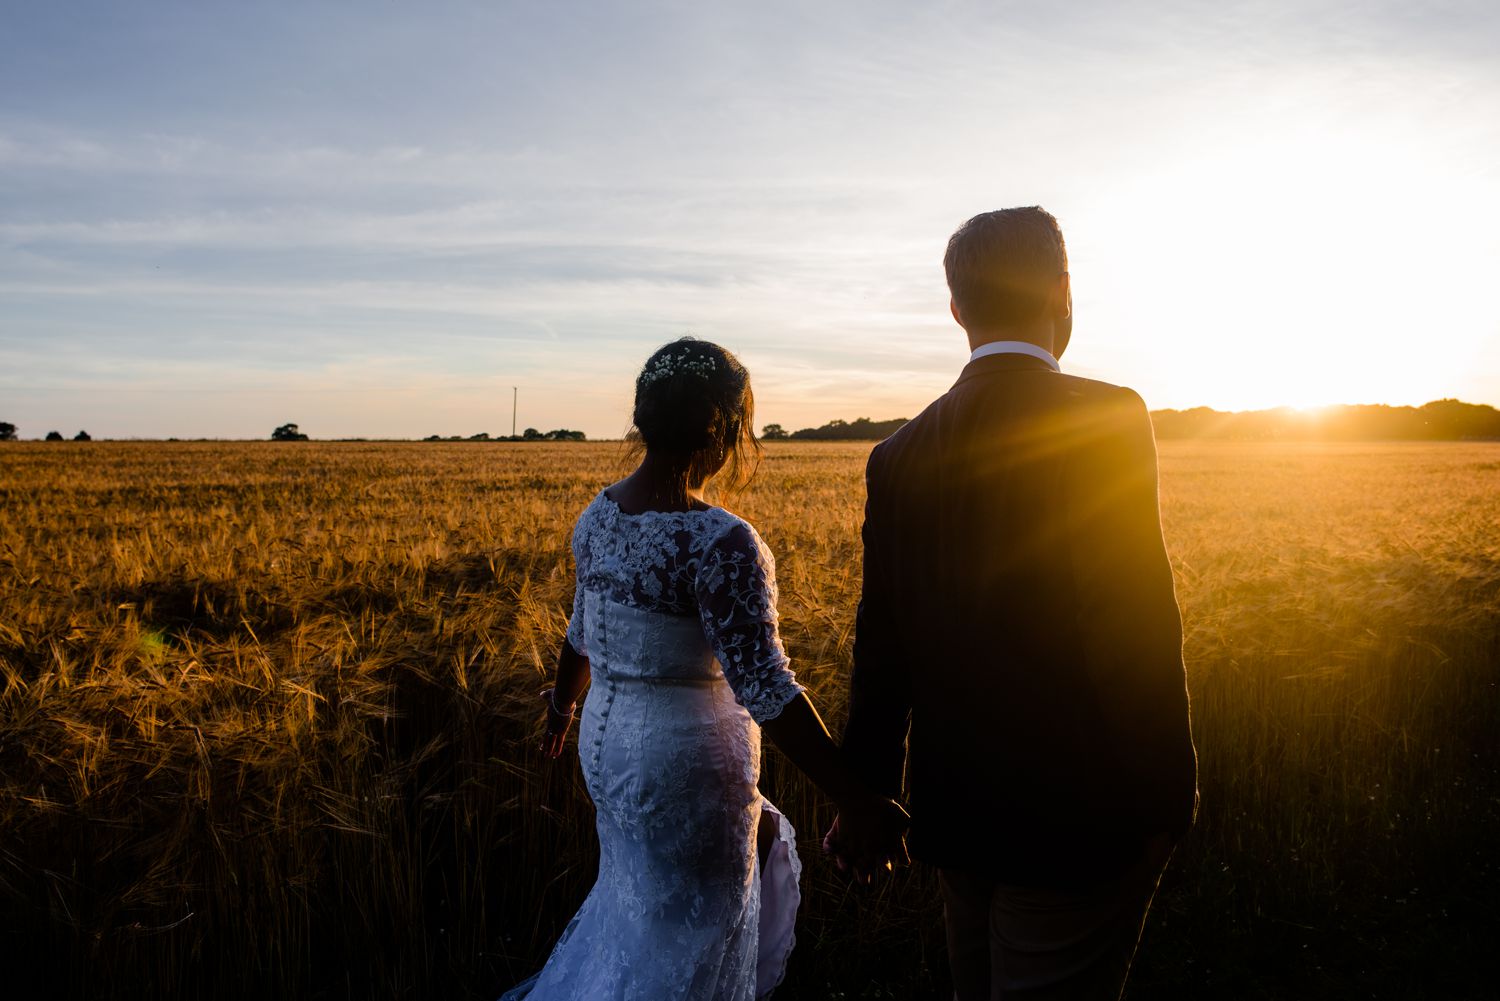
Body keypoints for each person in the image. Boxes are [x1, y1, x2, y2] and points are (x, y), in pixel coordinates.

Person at [827, 207, 1199, 1000]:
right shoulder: (1106, 416)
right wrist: (1168, 802)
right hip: (1077, 822)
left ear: (957, 308)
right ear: (1062, 292)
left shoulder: (897, 454)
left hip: (955, 818)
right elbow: (1130, 620)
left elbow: (880, 648)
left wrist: (863, 798)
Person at [503, 337, 909, 1001]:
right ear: (721, 429)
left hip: (608, 753)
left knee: (637, 915)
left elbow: (583, 632)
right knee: (694, 937)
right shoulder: (719, 540)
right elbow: (765, 685)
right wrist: (854, 798)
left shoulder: (598, 516)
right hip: (684, 768)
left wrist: (560, 710)